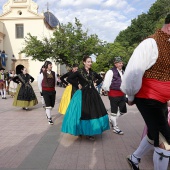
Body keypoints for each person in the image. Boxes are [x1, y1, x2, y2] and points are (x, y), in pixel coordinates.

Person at [120, 14, 170, 170]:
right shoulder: (150, 43)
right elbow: (133, 73)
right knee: (165, 141)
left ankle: (135, 158)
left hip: (160, 99)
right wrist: (131, 95)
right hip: (147, 97)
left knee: (153, 132)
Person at [61, 56, 110, 140]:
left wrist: (96, 83)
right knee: (84, 113)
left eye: (91, 62)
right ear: (84, 62)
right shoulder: (79, 71)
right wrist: (77, 84)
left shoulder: (92, 72)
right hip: (83, 95)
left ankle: (90, 133)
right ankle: (82, 131)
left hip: (93, 95)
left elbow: (100, 78)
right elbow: (69, 78)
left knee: (93, 113)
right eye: (88, 62)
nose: (90, 63)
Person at [102, 56, 127, 135]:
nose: (121, 64)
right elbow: (106, 83)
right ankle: (115, 127)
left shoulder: (123, 72)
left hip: (122, 94)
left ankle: (111, 119)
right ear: (115, 64)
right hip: (114, 94)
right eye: (119, 63)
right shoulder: (111, 71)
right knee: (114, 112)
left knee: (123, 110)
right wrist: (108, 92)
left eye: (121, 63)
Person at [38, 61, 56, 125]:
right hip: (45, 91)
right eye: (50, 65)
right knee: (48, 106)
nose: (51, 66)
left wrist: (53, 89)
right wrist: (41, 91)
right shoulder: (42, 74)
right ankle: (49, 118)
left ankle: (47, 113)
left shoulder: (54, 73)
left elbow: (55, 82)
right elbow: (39, 83)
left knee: (52, 105)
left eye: (51, 65)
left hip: (52, 91)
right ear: (46, 66)